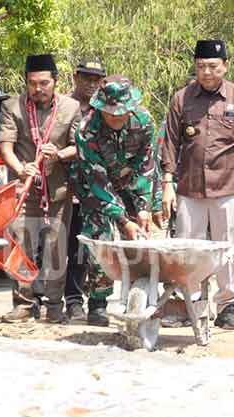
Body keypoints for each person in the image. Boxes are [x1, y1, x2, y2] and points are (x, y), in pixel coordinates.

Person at [161, 39, 234, 330]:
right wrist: (167, 182)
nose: (206, 72)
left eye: (212, 66)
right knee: (187, 247)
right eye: (201, 66)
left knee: (226, 248)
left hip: (228, 186)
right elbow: (170, 142)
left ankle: (227, 305)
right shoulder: (182, 98)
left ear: (225, 66)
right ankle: (189, 304)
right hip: (189, 187)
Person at [0, 54, 82, 324]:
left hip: (57, 192)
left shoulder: (71, 107)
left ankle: (54, 305)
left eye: (44, 83)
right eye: (32, 83)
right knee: (21, 246)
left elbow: (78, 146)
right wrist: (20, 168)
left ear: (55, 81)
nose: (38, 89)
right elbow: (6, 148)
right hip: (23, 191)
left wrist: (59, 154)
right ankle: (23, 303)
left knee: (55, 249)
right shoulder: (12, 107)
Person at [72, 75, 155, 326]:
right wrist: (122, 219)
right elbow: (98, 182)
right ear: (100, 108)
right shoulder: (87, 131)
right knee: (101, 241)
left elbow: (146, 167)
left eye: (122, 113)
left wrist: (143, 207)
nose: (117, 118)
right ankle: (97, 303)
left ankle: (141, 298)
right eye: (111, 114)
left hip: (129, 183)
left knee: (143, 240)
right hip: (94, 189)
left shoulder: (145, 122)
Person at [62, 58, 107, 322]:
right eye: (86, 78)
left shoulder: (105, 110)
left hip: (93, 191)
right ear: (75, 77)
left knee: (85, 250)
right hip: (64, 188)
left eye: (96, 79)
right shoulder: (63, 106)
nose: (91, 83)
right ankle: (59, 300)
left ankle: (80, 301)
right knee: (58, 248)